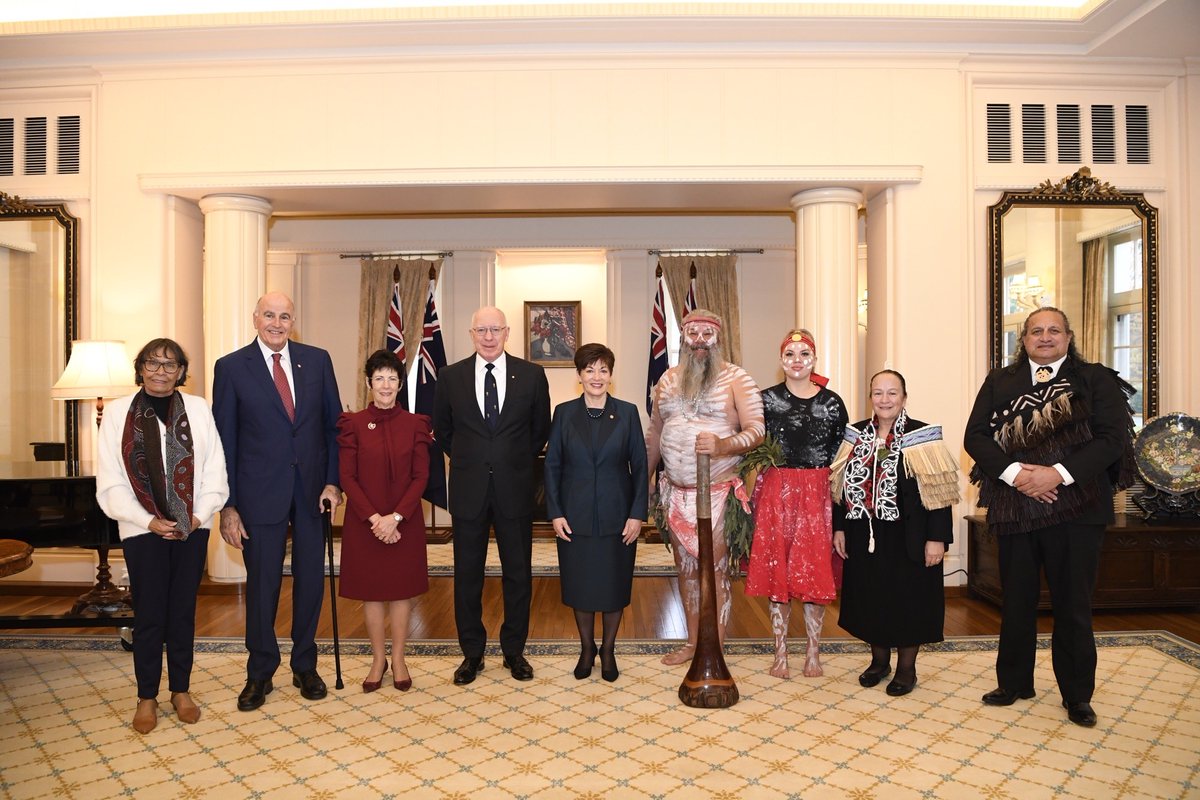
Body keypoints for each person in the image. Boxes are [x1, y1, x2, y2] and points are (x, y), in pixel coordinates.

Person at [965, 307, 1135, 728]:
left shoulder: (1095, 379)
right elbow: (975, 437)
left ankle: (1077, 695)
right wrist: (1017, 475)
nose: (1045, 337)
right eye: (1036, 331)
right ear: (1023, 340)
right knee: (1016, 601)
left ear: (1068, 336)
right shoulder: (999, 381)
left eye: (1053, 330)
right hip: (1015, 506)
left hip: (1077, 509)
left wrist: (1056, 474)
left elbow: (1113, 440)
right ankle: (1014, 683)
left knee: (1073, 605)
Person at [212, 292, 342, 712]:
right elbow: (223, 441)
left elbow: (333, 428)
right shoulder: (231, 368)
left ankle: (305, 665)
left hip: (310, 494)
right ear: (255, 319)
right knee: (263, 585)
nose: (277, 322)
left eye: (284, 316)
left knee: (310, 582)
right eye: (269, 315)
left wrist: (332, 483)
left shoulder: (317, 360)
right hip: (256, 496)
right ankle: (260, 672)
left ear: (293, 321)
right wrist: (228, 505)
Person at [96, 338, 229, 733]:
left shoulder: (200, 409)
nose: (161, 371)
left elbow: (214, 470)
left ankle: (181, 690)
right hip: (141, 530)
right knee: (151, 614)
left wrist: (196, 515)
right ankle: (147, 696)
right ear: (140, 368)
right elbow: (111, 480)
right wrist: (148, 520)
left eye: (170, 365)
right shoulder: (119, 412)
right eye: (153, 363)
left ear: (181, 372)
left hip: (192, 528)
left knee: (182, 613)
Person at [432, 305, 551, 684]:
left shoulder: (532, 375)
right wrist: (475, 460)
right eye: (480, 329)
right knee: (467, 575)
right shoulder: (450, 377)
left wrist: (508, 460)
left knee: (518, 574)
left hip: (515, 489)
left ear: (507, 332)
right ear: (471, 334)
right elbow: (444, 430)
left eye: (494, 329)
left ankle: (514, 651)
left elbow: (539, 431)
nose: (488, 336)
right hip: (468, 491)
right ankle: (472, 653)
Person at [646, 308, 764, 665]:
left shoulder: (736, 379)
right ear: (683, 338)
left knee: (715, 571)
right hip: (676, 493)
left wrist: (723, 445)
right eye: (692, 334)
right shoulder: (667, 379)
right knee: (685, 572)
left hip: (719, 492)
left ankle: (716, 647)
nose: (699, 341)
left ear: (718, 338)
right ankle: (693, 642)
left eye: (706, 334)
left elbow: (757, 431)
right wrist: (643, 482)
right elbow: (655, 434)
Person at [831, 369, 959, 697]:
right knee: (871, 597)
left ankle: (906, 668)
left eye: (892, 393)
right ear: (870, 397)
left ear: (904, 397)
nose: (884, 399)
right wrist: (840, 528)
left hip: (911, 536)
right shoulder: (855, 434)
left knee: (909, 600)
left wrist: (938, 538)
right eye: (878, 393)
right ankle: (879, 662)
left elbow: (940, 491)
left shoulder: (922, 435)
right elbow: (838, 487)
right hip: (864, 535)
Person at [744, 329, 848, 679]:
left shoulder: (832, 402)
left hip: (818, 493)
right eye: (790, 354)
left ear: (814, 359)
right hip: (777, 489)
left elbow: (843, 456)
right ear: (781, 361)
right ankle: (780, 654)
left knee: (814, 569)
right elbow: (749, 439)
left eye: (805, 354)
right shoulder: (765, 399)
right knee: (779, 570)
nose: (798, 360)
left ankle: (813, 653)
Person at [545, 343, 648, 682]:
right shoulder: (563, 413)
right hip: (573, 517)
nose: (596, 376)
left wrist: (637, 514)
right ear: (579, 375)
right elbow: (553, 467)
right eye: (589, 370)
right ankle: (587, 648)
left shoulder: (628, 412)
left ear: (611, 375)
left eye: (603, 369)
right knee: (581, 586)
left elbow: (641, 466)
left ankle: (608, 651)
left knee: (613, 586)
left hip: (618, 517)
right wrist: (556, 512)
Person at [337, 349, 433, 693]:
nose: (386, 384)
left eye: (392, 378)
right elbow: (347, 477)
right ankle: (378, 659)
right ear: (368, 383)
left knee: (401, 592)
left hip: (404, 521)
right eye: (379, 378)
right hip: (365, 523)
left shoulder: (416, 424)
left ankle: (399, 658)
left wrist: (394, 518)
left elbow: (421, 476)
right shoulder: (353, 424)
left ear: (400, 383)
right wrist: (376, 519)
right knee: (372, 593)